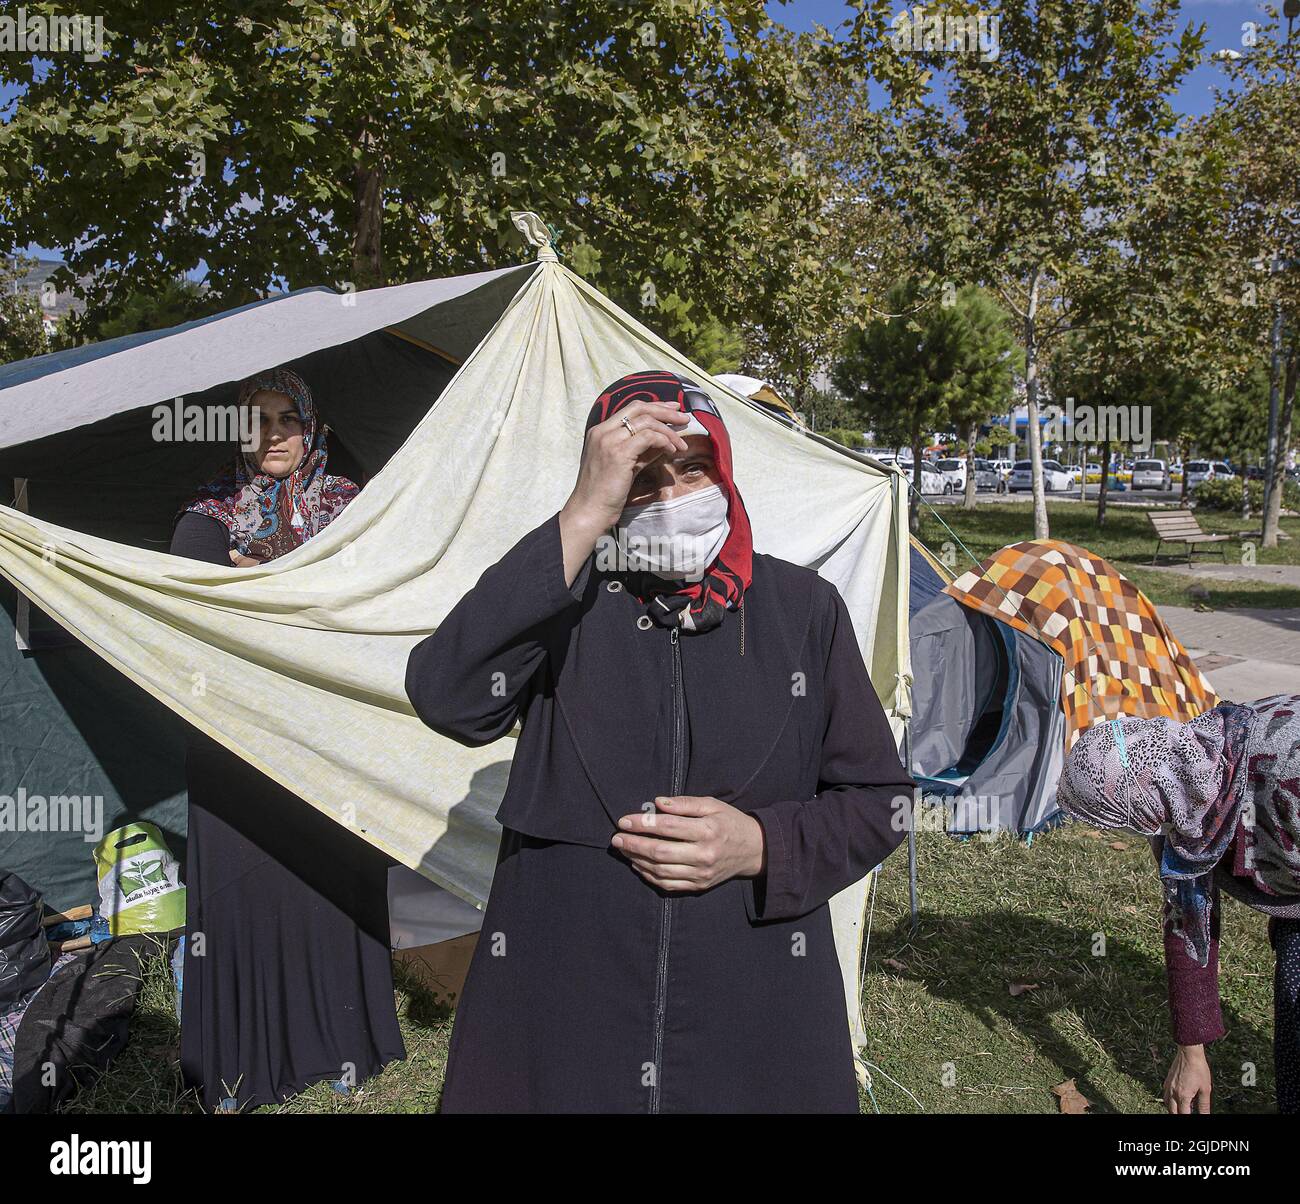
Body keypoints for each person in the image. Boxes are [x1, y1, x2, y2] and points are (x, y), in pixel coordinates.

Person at [405, 369, 914, 1113]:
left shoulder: (803, 610)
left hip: (753, 1008)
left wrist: (763, 845)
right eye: (642, 479)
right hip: (565, 1002)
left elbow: (882, 804)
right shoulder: (565, 597)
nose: (672, 499)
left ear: (726, 471)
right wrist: (582, 514)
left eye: (693, 469)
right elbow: (447, 696)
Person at [171, 368, 404, 1111]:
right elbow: (192, 596)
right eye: (255, 420)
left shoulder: (353, 506)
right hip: (235, 734)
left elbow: (367, 595)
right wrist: (279, 583)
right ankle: (249, 1059)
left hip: (329, 732)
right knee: (250, 887)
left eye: (285, 419)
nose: (270, 435)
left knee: (332, 877)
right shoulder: (207, 511)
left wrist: (259, 578)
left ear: (311, 426)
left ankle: (342, 1043)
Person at [1057, 694, 1300, 1114]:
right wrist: (1191, 1053)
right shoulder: (1180, 786)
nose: (1132, 830)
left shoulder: (1282, 773)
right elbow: (1187, 920)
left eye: (1119, 816)